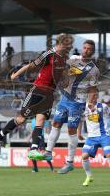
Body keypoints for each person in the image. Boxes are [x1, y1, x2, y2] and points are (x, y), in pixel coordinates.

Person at [0, 33, 74, 156]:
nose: (69, 47)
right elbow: (30, 66)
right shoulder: (49, 54)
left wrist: (67, 79)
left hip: (49, 94)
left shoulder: (63, 59)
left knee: (40, 120)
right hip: (38, 90)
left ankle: (33, 149)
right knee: (21, 119)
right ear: (60, 43)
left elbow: (63, 78)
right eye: (67, 44)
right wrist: (16, 74)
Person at [35, 40, 100, 174]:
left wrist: (91, 103)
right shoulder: (73, 59)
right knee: (56, 123)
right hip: (65, 98)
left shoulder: (94, 70)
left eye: (89, 49)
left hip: (78, 102)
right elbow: (63, 71)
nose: (86, 50)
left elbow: (93, 89)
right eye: (85, 47)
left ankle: (69, 162)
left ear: (92, 52)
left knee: (71, 130)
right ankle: (48, 152)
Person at [80, 88, 110, 188]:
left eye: (93, 96)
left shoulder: (103, 106)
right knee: (84, 156)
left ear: (97, 96)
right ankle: (89, 177)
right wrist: (78, 133)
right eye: (90, 96)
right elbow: (80, 120)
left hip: (103, 135)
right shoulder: (84, 108)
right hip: (91, 137)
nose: (91, 98)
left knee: (109, 155)